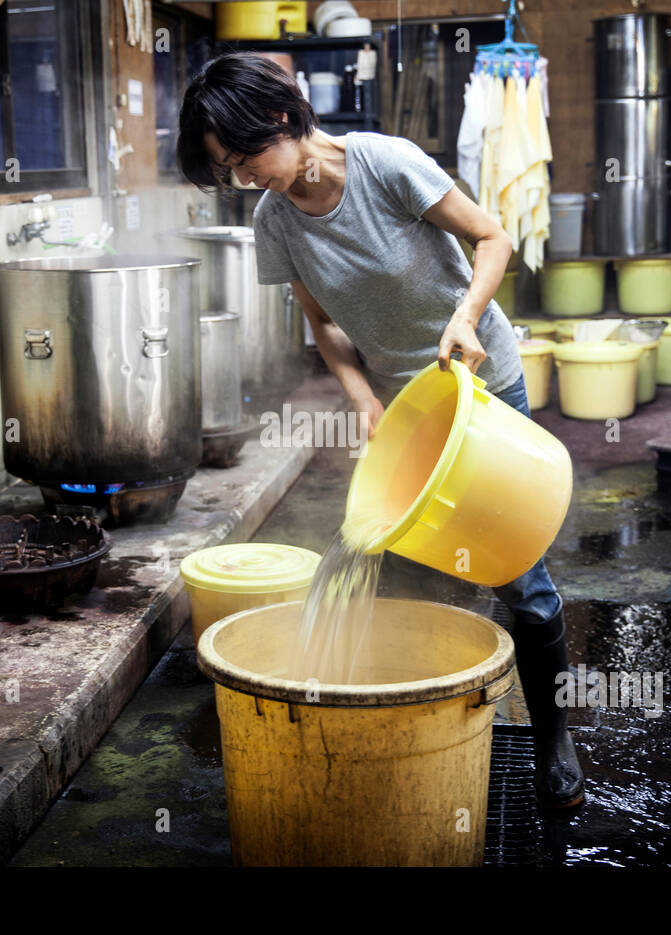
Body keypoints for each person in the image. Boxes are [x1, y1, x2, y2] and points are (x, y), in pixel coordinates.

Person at [178, 53, 583, 808]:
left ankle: (554, 737)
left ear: (281, 117)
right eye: (226, 170)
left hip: (479, 387)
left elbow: (495, 240)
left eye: (246, 158)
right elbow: (323, 323)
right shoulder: (275, 222)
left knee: (520, 577)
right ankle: (412, 734)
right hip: (403, 412)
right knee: (401, 572)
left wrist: (464, 318)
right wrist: (362, 397)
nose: (244, 179)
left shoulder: (385, 164)